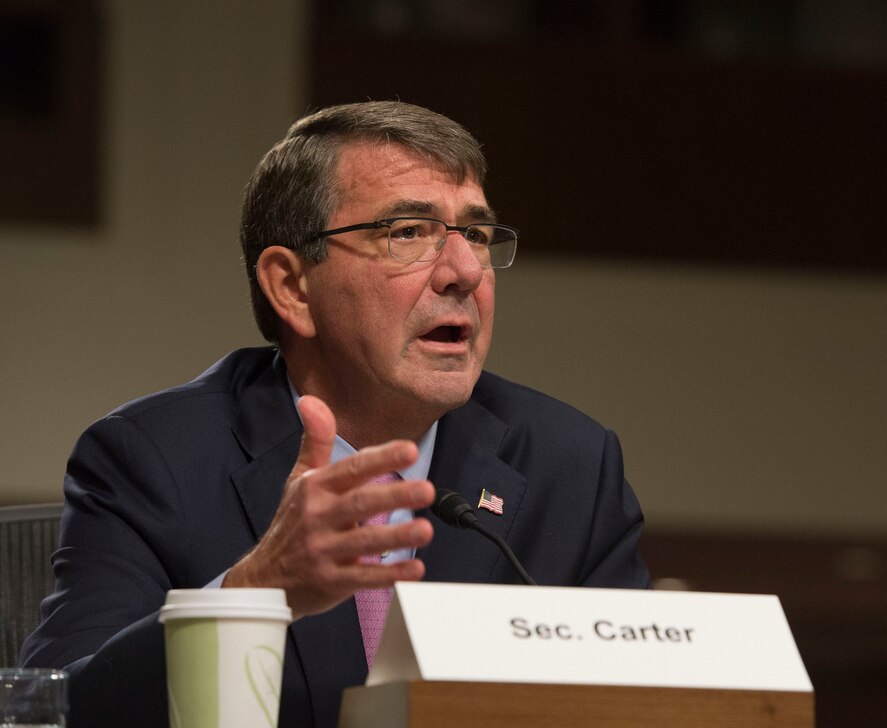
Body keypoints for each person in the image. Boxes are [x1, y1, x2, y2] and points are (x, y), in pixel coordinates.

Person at [20, 101, 651, 727]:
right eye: (408, 232)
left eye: (478, 236)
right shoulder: (153, 460)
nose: (463, 272)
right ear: (292, 287)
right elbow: (54, 714)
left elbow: (649, 703)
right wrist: (256, 594)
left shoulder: (570, 466)